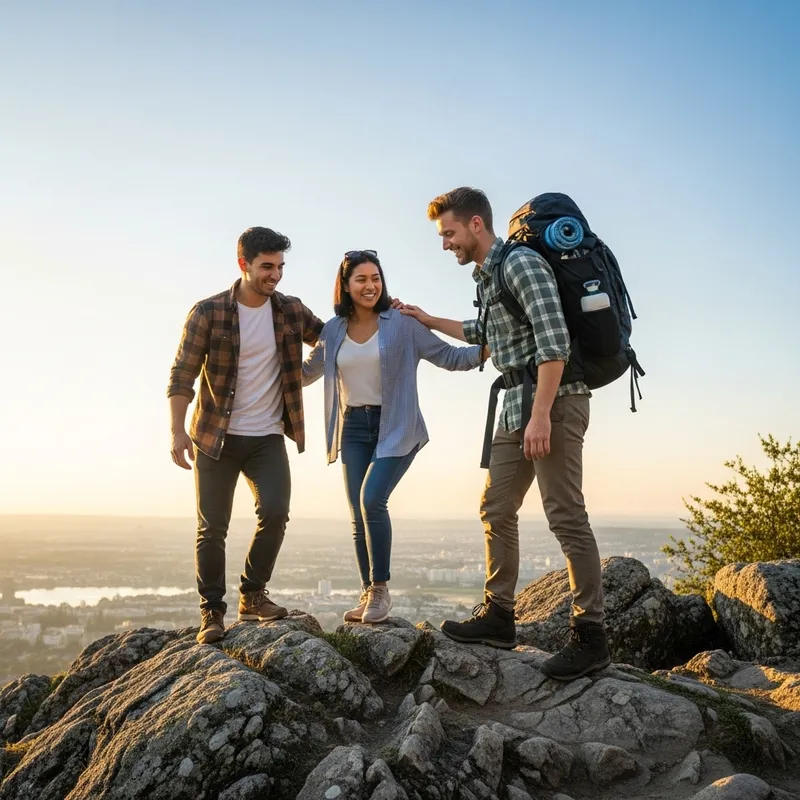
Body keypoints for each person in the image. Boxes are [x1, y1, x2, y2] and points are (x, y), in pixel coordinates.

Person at [400, 187, 610, 681]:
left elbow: (554, 340)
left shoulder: (519, 265)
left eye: (448, 233)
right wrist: (427, 319)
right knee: (495, 506)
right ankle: (499, 616)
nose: (445, 243)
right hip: (517, 403)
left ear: (476, 225)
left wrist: (541, 416)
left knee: (565, 514)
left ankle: (591, 636)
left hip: (551, 401)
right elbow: (486, 334)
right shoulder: (490, 277)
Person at [303, 250, 486, 624]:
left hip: (396, 425)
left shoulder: (401, 323)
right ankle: (368, 592)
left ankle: (381, 590)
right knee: (358, 511)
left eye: (376, 278)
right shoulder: (333, 329)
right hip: (353, 426)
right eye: (361, 280)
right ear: (346, 285)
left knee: (373, 499)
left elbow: (449, 356)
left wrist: (492, 346)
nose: (371, 286)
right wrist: (261, 363)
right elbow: (308, 371)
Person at [167, 226, 324, 645]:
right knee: (212, 527)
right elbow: (182, 374)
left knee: (275, 512)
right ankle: (212, 613)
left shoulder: (291, 311)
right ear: (244, 265)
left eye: (280, 267)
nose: (275, 276)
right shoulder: (209, 312)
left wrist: (305, 373)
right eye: (267, 267)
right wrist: (177, 431)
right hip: (214, 437)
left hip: (267, 435)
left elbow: (332, 338)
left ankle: (253, 595)